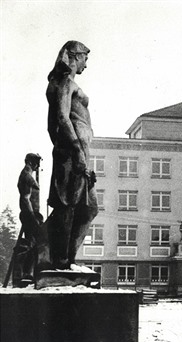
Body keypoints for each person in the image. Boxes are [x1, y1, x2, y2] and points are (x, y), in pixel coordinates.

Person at [45, 41, 98, 270]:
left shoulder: (66, 83)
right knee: (68, 205)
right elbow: (61, 118)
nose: (86, 64)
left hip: (78, 153)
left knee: (89, 208)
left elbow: (52, 125)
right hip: (72, 152)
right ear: (76, 57)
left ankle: (67, 259)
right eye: (85, 58)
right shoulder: (66, 83)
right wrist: (75, 150)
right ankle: (61, 261)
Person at [15, 153, 44, 282]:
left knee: (33, 243)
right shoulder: (26, 176)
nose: (38, 166)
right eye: (37, 163)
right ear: (32, 162)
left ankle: (27, 273)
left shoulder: (28, 174)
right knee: (31, 244)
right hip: (29, 214)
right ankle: (25, 273)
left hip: (32, 214)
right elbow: (26, 198)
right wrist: (32, 217)